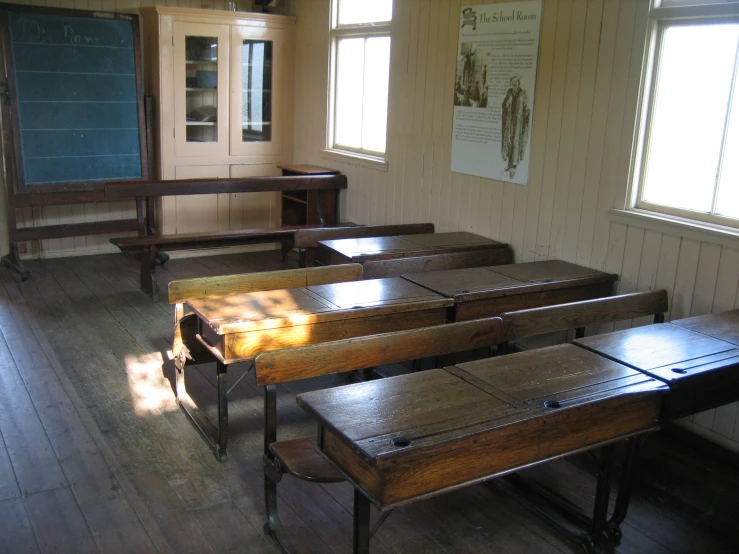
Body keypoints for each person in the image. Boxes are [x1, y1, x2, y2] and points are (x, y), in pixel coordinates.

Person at [501, 76, 530, 178]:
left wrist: (521, 118)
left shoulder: (522, 94)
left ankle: (514, 166)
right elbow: (503, 105)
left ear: (519, 83)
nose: (514, 84)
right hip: (509, 122)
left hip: (517, 123)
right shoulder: (509, 92)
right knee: (508, 141)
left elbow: (527, 109)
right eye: (512, 82)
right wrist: (506, 103)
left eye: (516, 82)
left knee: (515, 142)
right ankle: (509, 164)